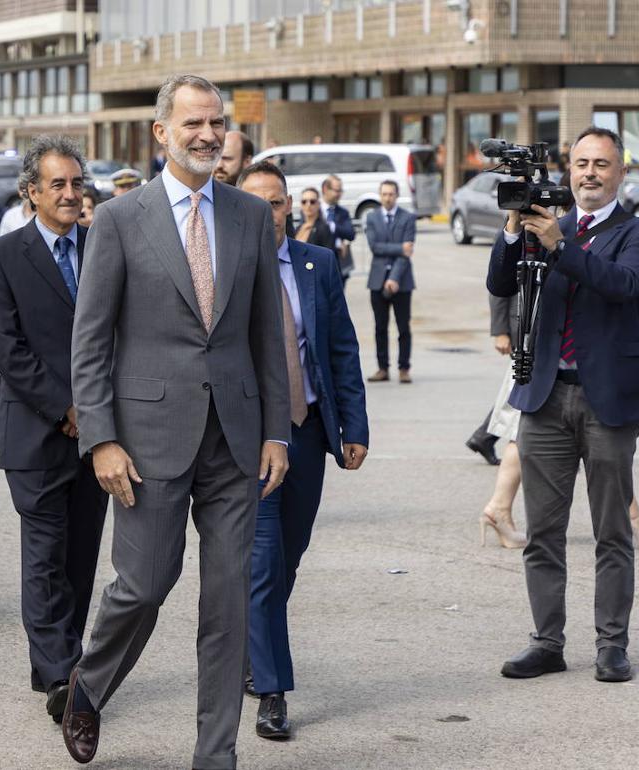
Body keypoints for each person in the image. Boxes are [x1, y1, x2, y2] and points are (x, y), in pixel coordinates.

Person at [62, 74, 291, 769]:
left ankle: (214, 752)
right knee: (145, 585)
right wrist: (101, 438)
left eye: (216, 123)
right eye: (193, 123)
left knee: (227, 602)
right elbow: (90, 339)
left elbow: (265, 339)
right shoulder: (119, 220)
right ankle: (88, 685)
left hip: (236, 439)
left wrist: (277, 430)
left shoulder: (251, 218)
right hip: (147, 439)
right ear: (161, 132)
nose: (208, 135)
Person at [488, 126, 639, 683]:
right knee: (542, 531)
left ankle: (611, 645)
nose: (589, 173)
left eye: (601, 164)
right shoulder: (550, 225)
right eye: (580, 163)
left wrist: (558, 247)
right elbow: (502, 284)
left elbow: (622, 284)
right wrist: (512, 229)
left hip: (608, 400)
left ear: (622, 172)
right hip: (545, 397)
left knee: (611, 531)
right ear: (567, 171)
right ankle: (546, 642)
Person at [0, 136, 109, 724]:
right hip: (36, 433)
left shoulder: (105, 246)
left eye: (76, 182)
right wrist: (66, 410)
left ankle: (57, 660)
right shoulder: (2, 256)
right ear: (31, 192)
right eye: (57, 184)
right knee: (44, 556)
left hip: (101, 436)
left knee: (81, 560)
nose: (70, 193)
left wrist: (102, 415)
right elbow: (10, 350)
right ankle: (62, 675)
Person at [236, 161, 368, 741]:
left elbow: (342, 349)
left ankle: (254, 643)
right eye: (256, 202)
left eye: (277, 202)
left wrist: (353, 426)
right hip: (247, 442)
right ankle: (272, 690)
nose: (268, 212)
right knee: (262, 562)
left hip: (309, 430)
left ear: (292, 207)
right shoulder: (224, 270)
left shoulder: (317, 264)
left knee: (287, 558)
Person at [365, 180, 417, 383]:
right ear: (380, 195)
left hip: (402, 282)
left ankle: (404, 368)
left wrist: (394, 278)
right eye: (384, 194)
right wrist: (398, 247)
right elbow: (374, 247)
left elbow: (407, 253)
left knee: (403, 327)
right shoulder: (371, 217)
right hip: (377, 280)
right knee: (380, 327)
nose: (387, 197)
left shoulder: (408, 218)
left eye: (391, 194)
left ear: (396, 195)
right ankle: (382, 368)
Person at [319, 174, 356, 283]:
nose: (339, 195)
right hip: (318, 264)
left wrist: (333, 226)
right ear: (325, 189)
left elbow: (351, 233)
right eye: (337, 191)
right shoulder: (312, 209)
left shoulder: (343, 212)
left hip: (338, 267)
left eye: (341, 191)